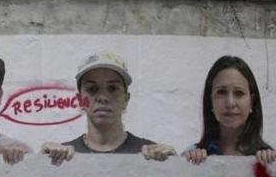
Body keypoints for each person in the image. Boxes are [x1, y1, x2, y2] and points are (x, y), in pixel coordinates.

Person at [41, 52, 176, 165]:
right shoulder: (61, 158)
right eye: (92, 89)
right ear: (80, 100)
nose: (103, 97)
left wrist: (176, 166)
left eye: (112, 88)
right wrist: (39, 163)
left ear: (126, 99)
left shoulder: (150, 155)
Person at [182, 56, 276, 165]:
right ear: (211, 100)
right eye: (221, 92)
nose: (230, 103)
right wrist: (181, 163)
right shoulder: (192, 155)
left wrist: (273, 166)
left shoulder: (272, 158)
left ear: (251, 101)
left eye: (239, 93)